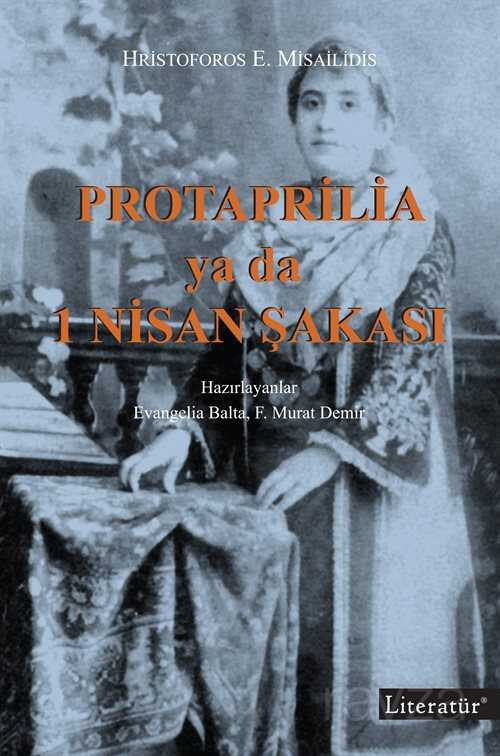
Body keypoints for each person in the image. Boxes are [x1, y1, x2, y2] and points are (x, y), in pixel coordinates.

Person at [120, 26, 487, 756]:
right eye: (312, 103)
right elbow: (228, 354)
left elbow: (409, 364)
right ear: (294, 118)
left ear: (382, 123)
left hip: (363, 490)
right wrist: (179, 432)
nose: (326, 120)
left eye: (349, 104)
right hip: (268, 485)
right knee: (270, 688)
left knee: (358, 681)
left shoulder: (416, 224)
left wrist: (330, 454)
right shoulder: (269, 227)